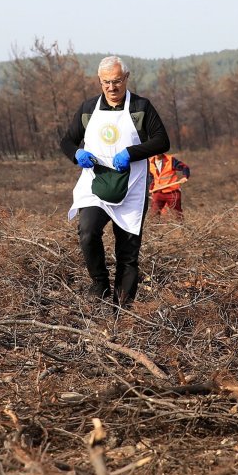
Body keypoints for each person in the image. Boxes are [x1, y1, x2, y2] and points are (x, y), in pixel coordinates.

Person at [60, 56, 170, 308]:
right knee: (88, 232)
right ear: (100, 81)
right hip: (95, 184)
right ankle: (99, 283)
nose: (112, 87)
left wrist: (131, 153)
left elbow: (162, 141)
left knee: (127, 253)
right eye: (106, 82)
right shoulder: (88, 109)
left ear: (126, 79)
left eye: (117, 81)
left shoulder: (141, 107)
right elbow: (67, 140)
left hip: (132, 185)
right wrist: (76, 154)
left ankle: (121, 311)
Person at [148, 153, 191, 217]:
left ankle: (180, 226)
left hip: (172, 192)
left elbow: (185, 167)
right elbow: (151, 178)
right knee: (153, 215)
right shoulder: (149, 162)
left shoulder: (170, 160)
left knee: (177, 215)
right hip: (158, 192)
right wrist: (150, 189)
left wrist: (185, 176)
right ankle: (155, 226)